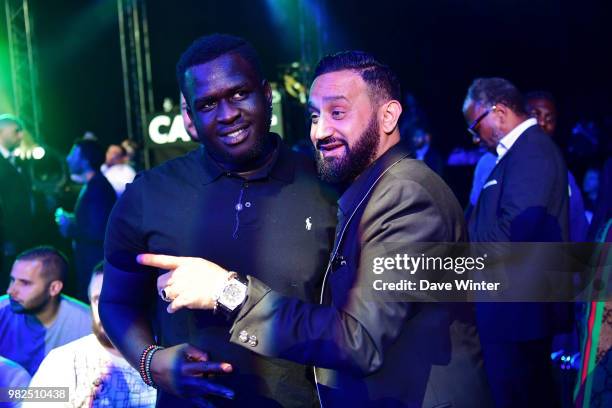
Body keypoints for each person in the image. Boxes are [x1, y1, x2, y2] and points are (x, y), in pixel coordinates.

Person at [141, 51, 493, 407]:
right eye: (314, 115)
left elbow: (360, 341)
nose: (319, 132)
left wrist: (226, 292)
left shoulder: (406, 194)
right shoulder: (368, 191)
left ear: (388, 116)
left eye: (337, 112)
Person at [100, 34, 337, 407]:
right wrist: (151, 362)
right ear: (189, 117)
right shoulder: (148, 196)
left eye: (239, 94)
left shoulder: (328, 186)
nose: (227, 114)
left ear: (266, 93)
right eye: (208, 103)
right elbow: (116, 302)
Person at [463, 78, 570, 407]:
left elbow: (514, 232)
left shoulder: (532, 150)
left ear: (498, 111)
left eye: (474, 125)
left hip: (518, 314)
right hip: (508, 311)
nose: (473, 137)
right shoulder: (513, 155)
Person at [26, 262, 156, 408]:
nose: (105, 312)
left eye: (116, 301)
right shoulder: (62, 362)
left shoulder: (170, 357)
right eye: (97, 300)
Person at [0, 246, 91, 375]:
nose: (11, 290)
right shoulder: (2, 309)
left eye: (25, 283)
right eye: (12, 280)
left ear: (54, 288)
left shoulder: (88, 325)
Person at [55, 139, 116, 301]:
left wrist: (69, 226)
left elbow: (96, 231)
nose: (68, 159)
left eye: (73, 154)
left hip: (93, 263)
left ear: (85, 160)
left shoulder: (97, 188)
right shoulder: (94, 185)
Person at [525, 91, 589, 242]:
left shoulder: (563, 173)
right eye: (535, 115)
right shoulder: (497, 162)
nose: (542, 123)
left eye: (550, 119)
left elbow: (578, 226)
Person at [0, 114, 33, 289]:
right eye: (16, 131)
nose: (21, 136)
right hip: (6, 240)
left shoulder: (18, 161)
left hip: (22, 237)